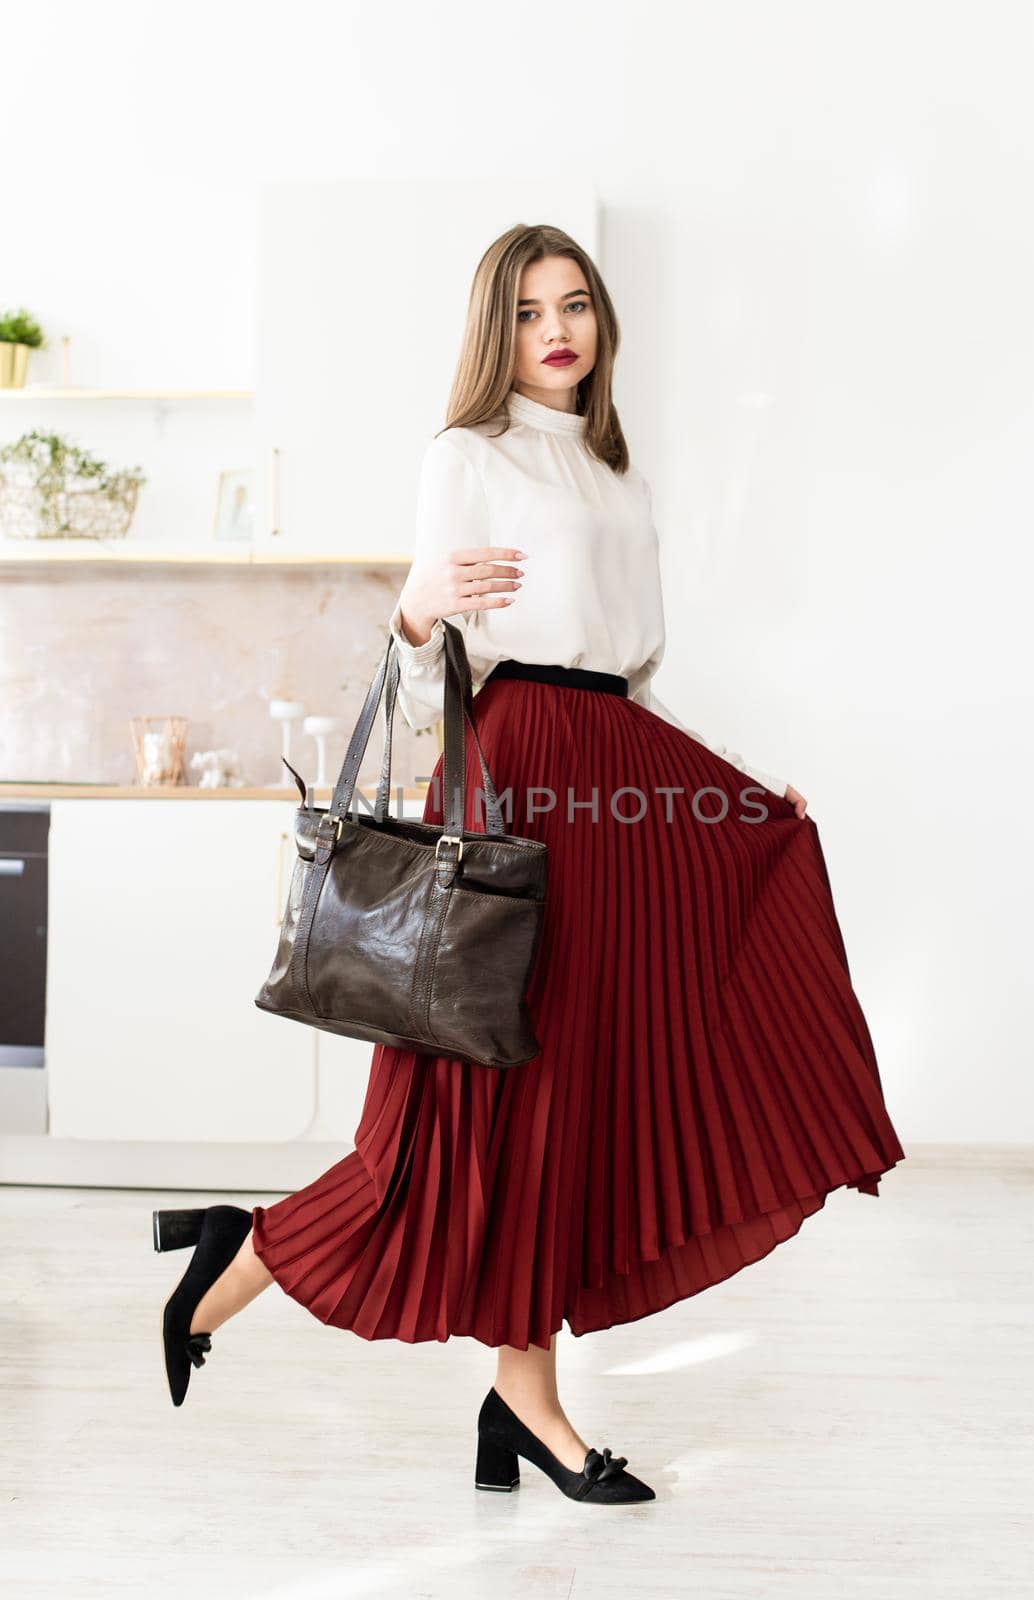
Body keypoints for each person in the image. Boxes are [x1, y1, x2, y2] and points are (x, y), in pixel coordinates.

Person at [154, 223, 906, 1506]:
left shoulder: (619, 478)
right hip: (520, 774)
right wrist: (416, 600)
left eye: (576, 306)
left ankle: (517, 1393)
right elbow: (428, 672)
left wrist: (735, 785)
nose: (555, 330)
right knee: (479, 1104)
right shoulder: (469, 455)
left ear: (602, 325)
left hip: (619, 776)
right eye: (525, 311)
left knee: (573, 1095)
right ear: (493, 330)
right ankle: (280, 1274)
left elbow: (638, 669)